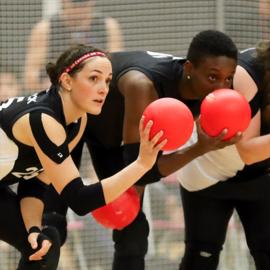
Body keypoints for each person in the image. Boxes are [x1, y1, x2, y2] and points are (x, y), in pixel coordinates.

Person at [42, 30, 240, 270]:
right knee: (51, 224)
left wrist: (129, 202)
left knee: (133, 232)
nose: (222, 87)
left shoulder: (202, 91)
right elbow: (143, 169)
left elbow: (141, 167)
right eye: (213, 77)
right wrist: (199, 148)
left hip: (112, 139)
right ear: (189, 69)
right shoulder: (143, 86)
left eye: (228, 79)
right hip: (73, 119)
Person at [172, 11, 270, 270]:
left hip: (267, 174)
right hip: (210, 170)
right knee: (201, 256)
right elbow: (246, 151)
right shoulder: (247, 73)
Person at [0, 44, 164, 270]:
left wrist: (33, 230)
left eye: (107, 81)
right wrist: (142, 164)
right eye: (93, 78)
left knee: (43, 245)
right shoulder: (42, 120)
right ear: (67, 81)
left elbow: (35, 185)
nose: (104, 89)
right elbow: (80, 199)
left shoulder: (78, 121)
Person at [24, 0, 123, 92]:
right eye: (74, 3)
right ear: (63, 2)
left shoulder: (108, 26)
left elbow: (118, 68)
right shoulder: (45, 29)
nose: (79, 9)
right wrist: (52, 85)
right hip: (59, 94)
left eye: (83, 4)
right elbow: (30, 77)